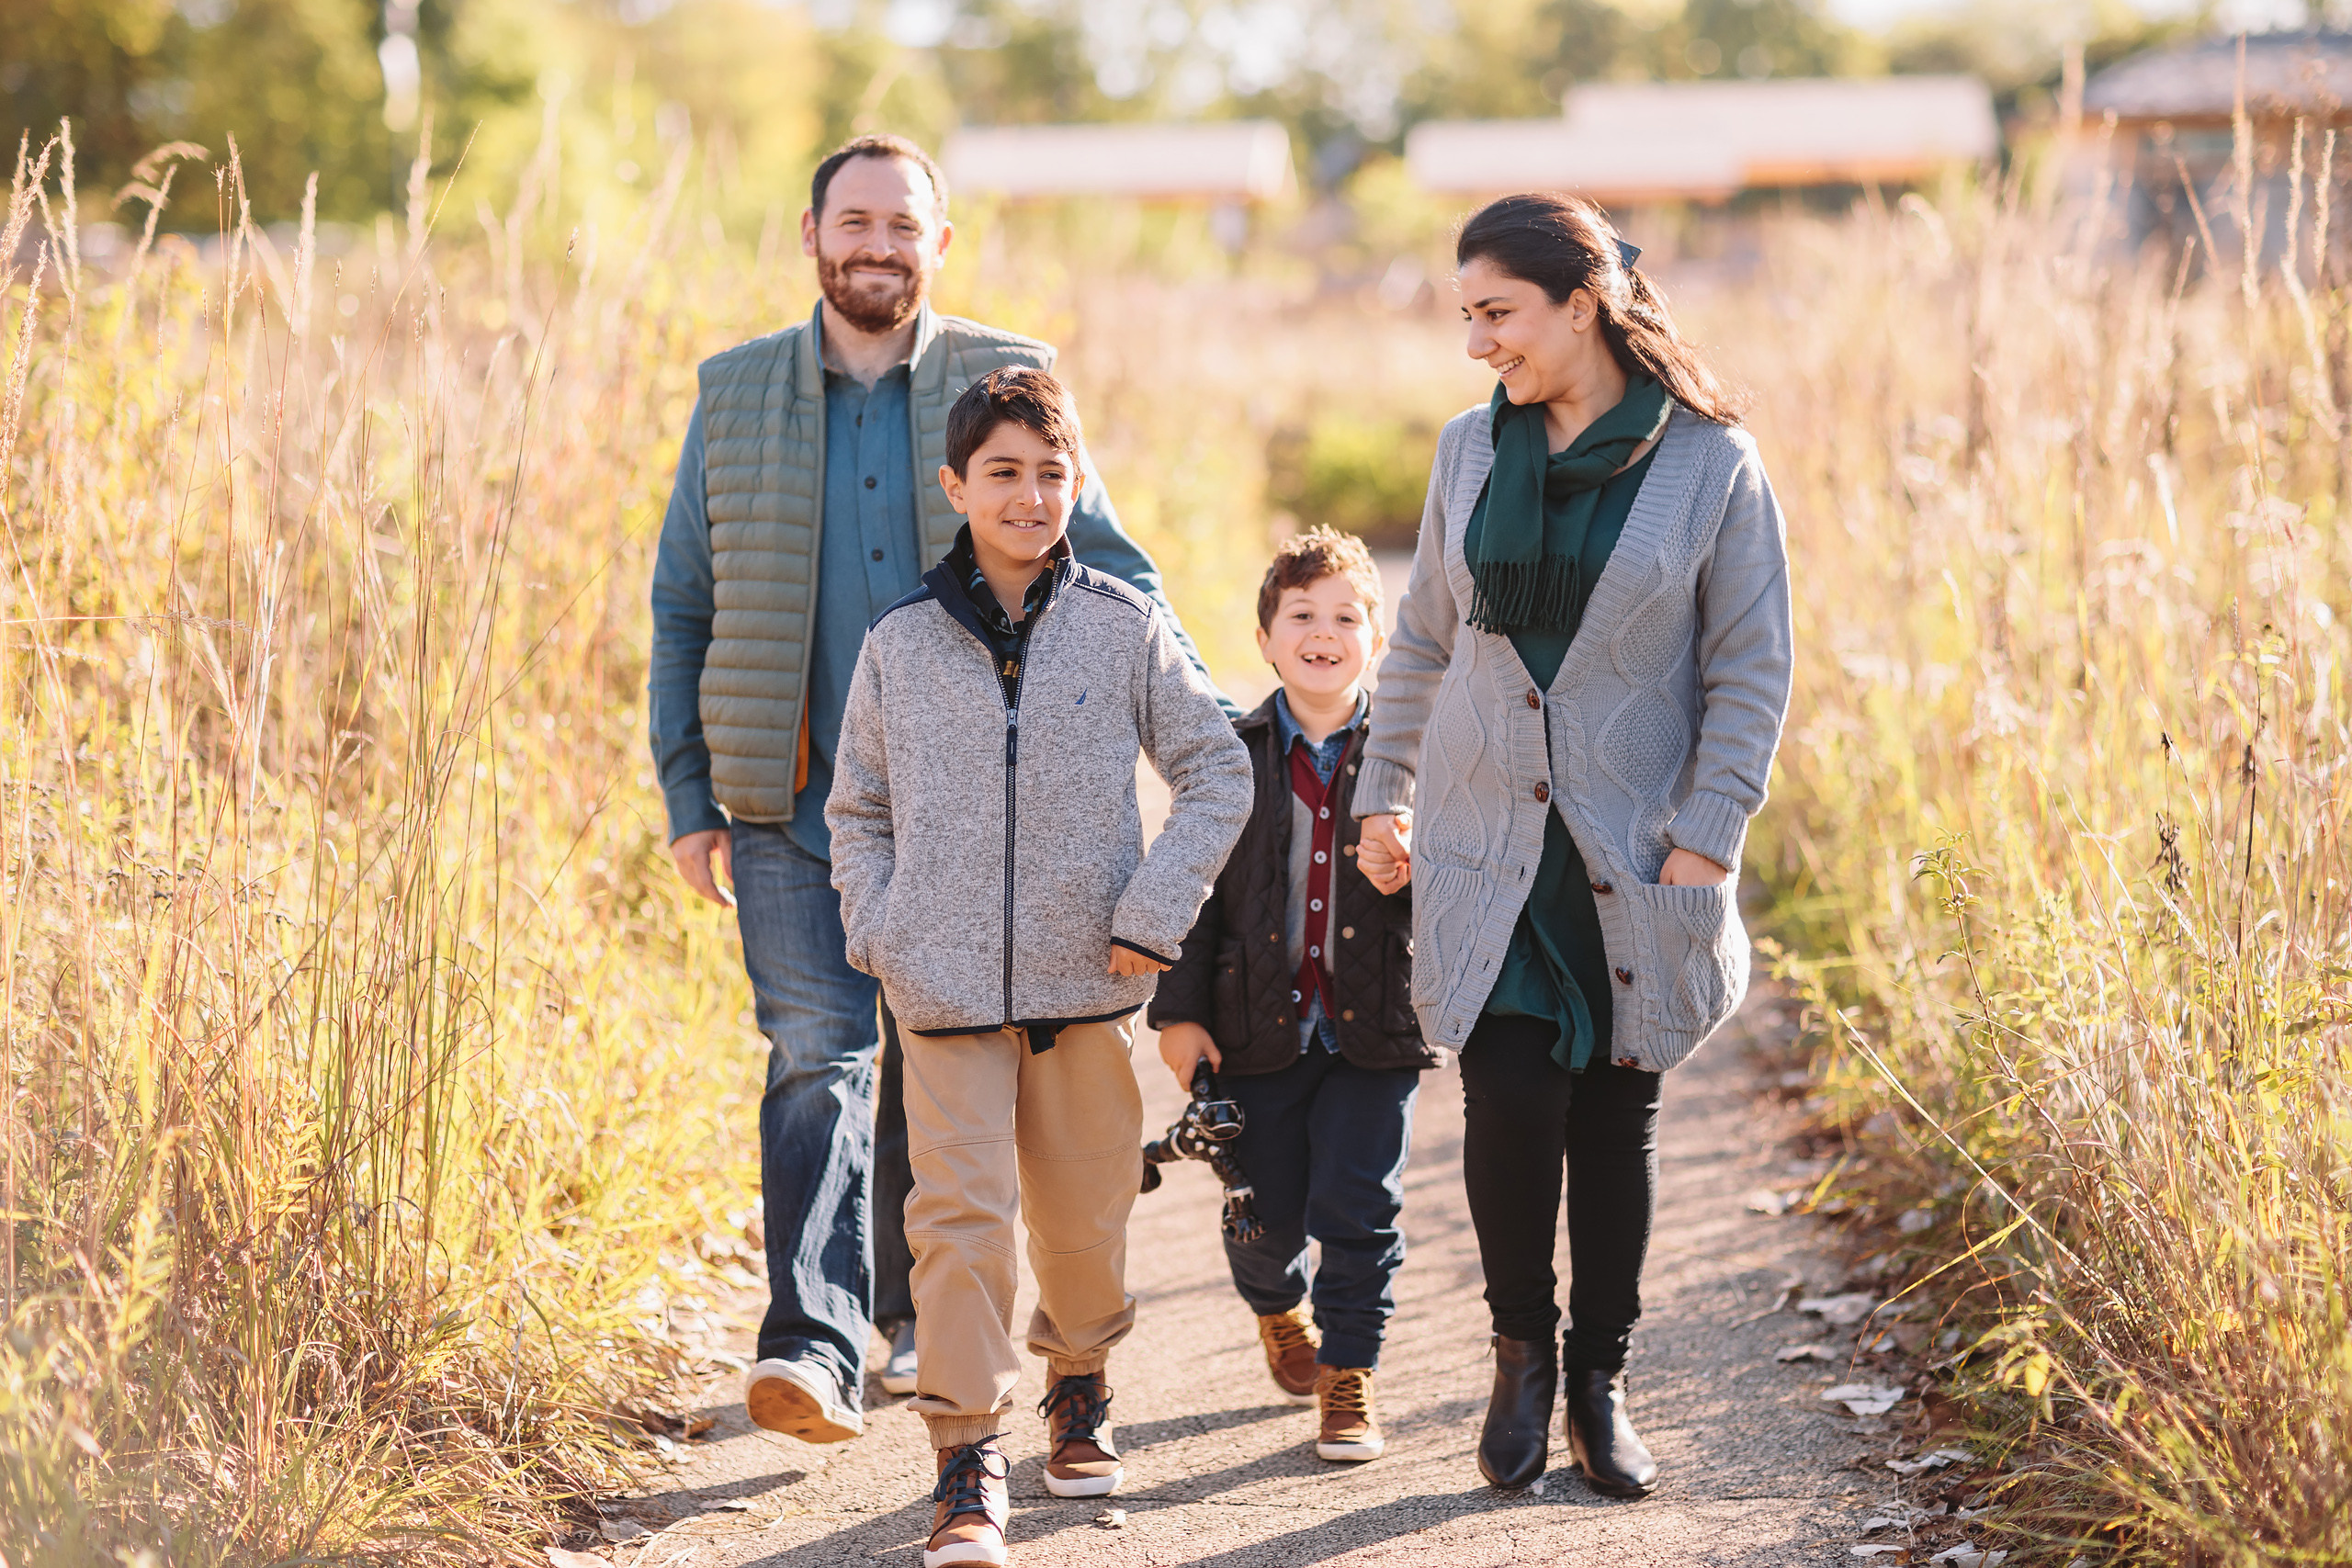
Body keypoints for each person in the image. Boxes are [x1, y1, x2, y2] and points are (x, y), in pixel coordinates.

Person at [646, 134, 1225, 1445]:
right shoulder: (732, 393)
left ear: (939, 244)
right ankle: (814, 1339)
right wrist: (689, 790)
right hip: (792, 794)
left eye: (904, 225)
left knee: (934, 1067)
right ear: (811, 236)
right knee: (816, 1054)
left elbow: (1114, 562)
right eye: (854, 221)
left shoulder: (999, 374)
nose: (878, 245)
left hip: (976, 811)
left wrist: (1201, 717)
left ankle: (922, 1324)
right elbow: (684, 602)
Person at [1353, 193, 1792, 1499]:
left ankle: (1600, 1375)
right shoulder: (1466, 454)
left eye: (1497, 313)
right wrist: (1387, 790)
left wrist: (1704, 845)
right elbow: (1425, 635)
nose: (1478, 342)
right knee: (1508, 1105)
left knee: (1614, 1115)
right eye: (1467, 315)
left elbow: (1751, 671)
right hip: (1486, 844)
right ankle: (1519, 1357)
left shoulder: (1711, 461)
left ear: (1581, 303)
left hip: (1636, 852)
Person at [829, 367, 1251, 1568]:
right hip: (943, 989)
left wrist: (1156, 910)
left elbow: (1218, 770)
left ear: (1079, 484)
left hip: (1090, 985)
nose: (1029, 495)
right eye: (1003, 473)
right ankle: (967, 1458)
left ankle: (1080, 1376)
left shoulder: (1124, 625)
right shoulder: (901, 644)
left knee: (1081, 1223)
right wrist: (885, 927)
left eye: (1051, 473)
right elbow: (855, 809)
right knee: (957, 1219)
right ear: (956, 484)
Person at [1148, 527, 1438, 1465]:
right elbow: (1194, 898)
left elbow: (1471, 884)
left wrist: (1415, 869)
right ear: (1267, 638)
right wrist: (1181, 1015)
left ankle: (1349, 1378)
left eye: (1347, 617)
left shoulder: (1413, 765)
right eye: (1301, 615)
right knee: (1258, 1215)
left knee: (1361, 1211)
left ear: (1378, 641)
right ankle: (1277, 1310)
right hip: (1251, 1034)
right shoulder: (1231, 760)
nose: (1324, 632)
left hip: (1375, 1034)